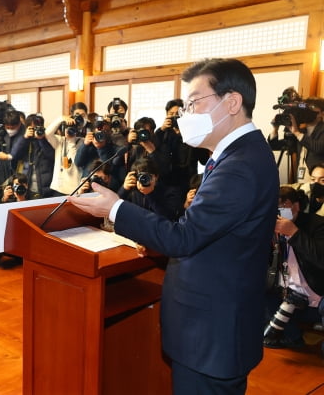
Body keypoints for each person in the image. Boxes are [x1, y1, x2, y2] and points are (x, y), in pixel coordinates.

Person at [67, 58, 279, 394]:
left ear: (232, 102)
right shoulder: (240, 154)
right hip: (216, 324)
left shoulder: (240, 164)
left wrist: (115, 208)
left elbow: (185, 237)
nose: (187, 114)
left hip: (213, 333)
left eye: (194, 102)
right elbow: (210, 231)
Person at [263, 186, 324, 351]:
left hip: (317, 297)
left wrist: (294, 233)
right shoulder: (271, 228)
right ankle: (292, 339)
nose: (278, 213)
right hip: (288, 296)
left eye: (282, 207)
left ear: (296, 206)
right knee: (258, 292)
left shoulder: (317, 225)